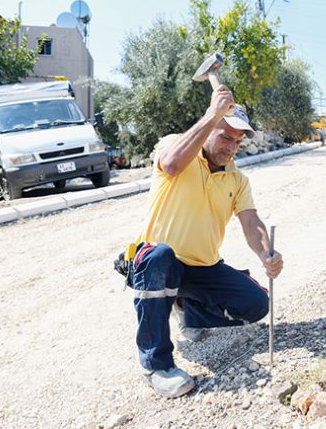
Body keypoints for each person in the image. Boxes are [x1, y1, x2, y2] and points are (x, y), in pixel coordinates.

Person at [119, 85, 284, 398]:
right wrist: (212, 114)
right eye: (225, 136)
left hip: (203, 268)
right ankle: (156, 364)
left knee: (256, 305)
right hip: (156, 263)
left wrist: (266, 252)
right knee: (160, 257)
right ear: (209, 127)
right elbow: (169, 164)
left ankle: (184, 306)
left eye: (237, 141)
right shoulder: (177, 148)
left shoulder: (237, 179)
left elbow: (251, 221)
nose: (232, 147)